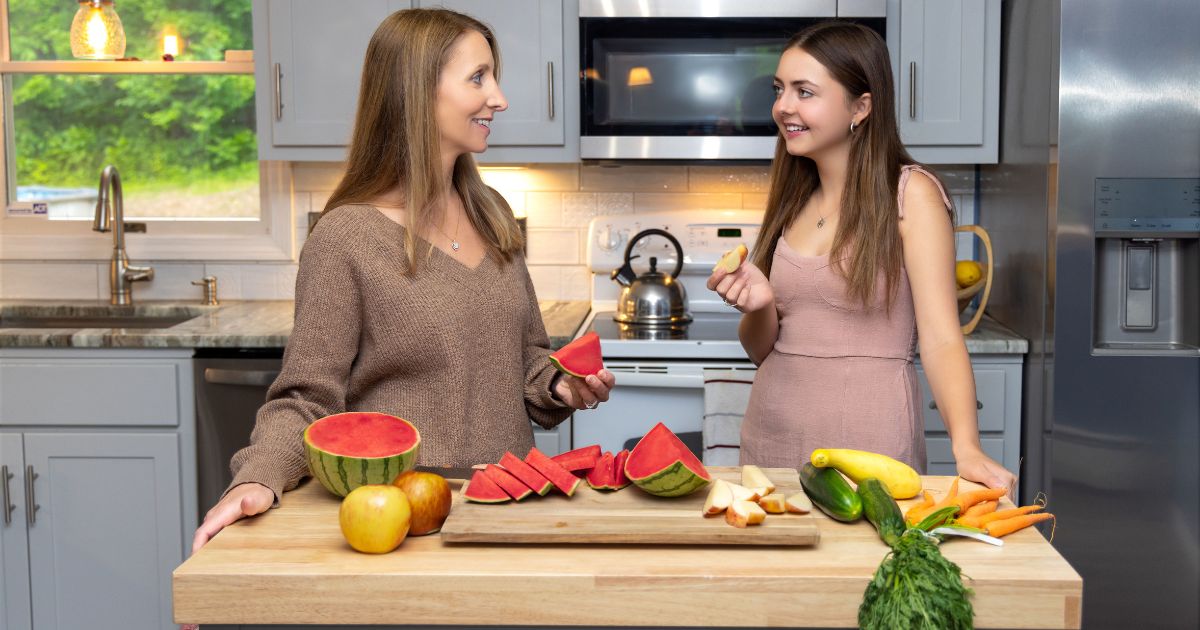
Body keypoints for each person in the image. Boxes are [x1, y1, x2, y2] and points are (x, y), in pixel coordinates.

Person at [192, 8, 615, 553]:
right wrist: (258, 476)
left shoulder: (492, 213)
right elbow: (305, 396)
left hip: (507, 513)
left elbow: (527, 355)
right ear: (418, 90)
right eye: (478, 78)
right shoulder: (347, 237)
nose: (500, 99)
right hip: (402, 527)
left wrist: (559, 384)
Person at [707, 22, 1016, 493]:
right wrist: (760, 304)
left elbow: (940, 339)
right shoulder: (792, 198)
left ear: (861, 106)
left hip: (869, 444)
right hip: (770, 441)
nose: (783, 106)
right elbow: (760, 350)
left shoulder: (911, 195)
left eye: (805, 91)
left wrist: (966, 447)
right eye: (780, 90)